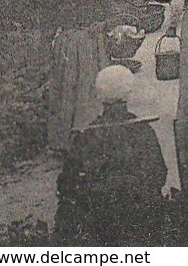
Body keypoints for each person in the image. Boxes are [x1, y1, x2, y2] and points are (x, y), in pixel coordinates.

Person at [54, 66, 167, 244]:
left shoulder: (86, 137)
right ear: (129, 94)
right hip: (141, 223)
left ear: (100, 97)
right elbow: (160, 174)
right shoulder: (143, 131)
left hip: (100, 226)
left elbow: (67, 183)